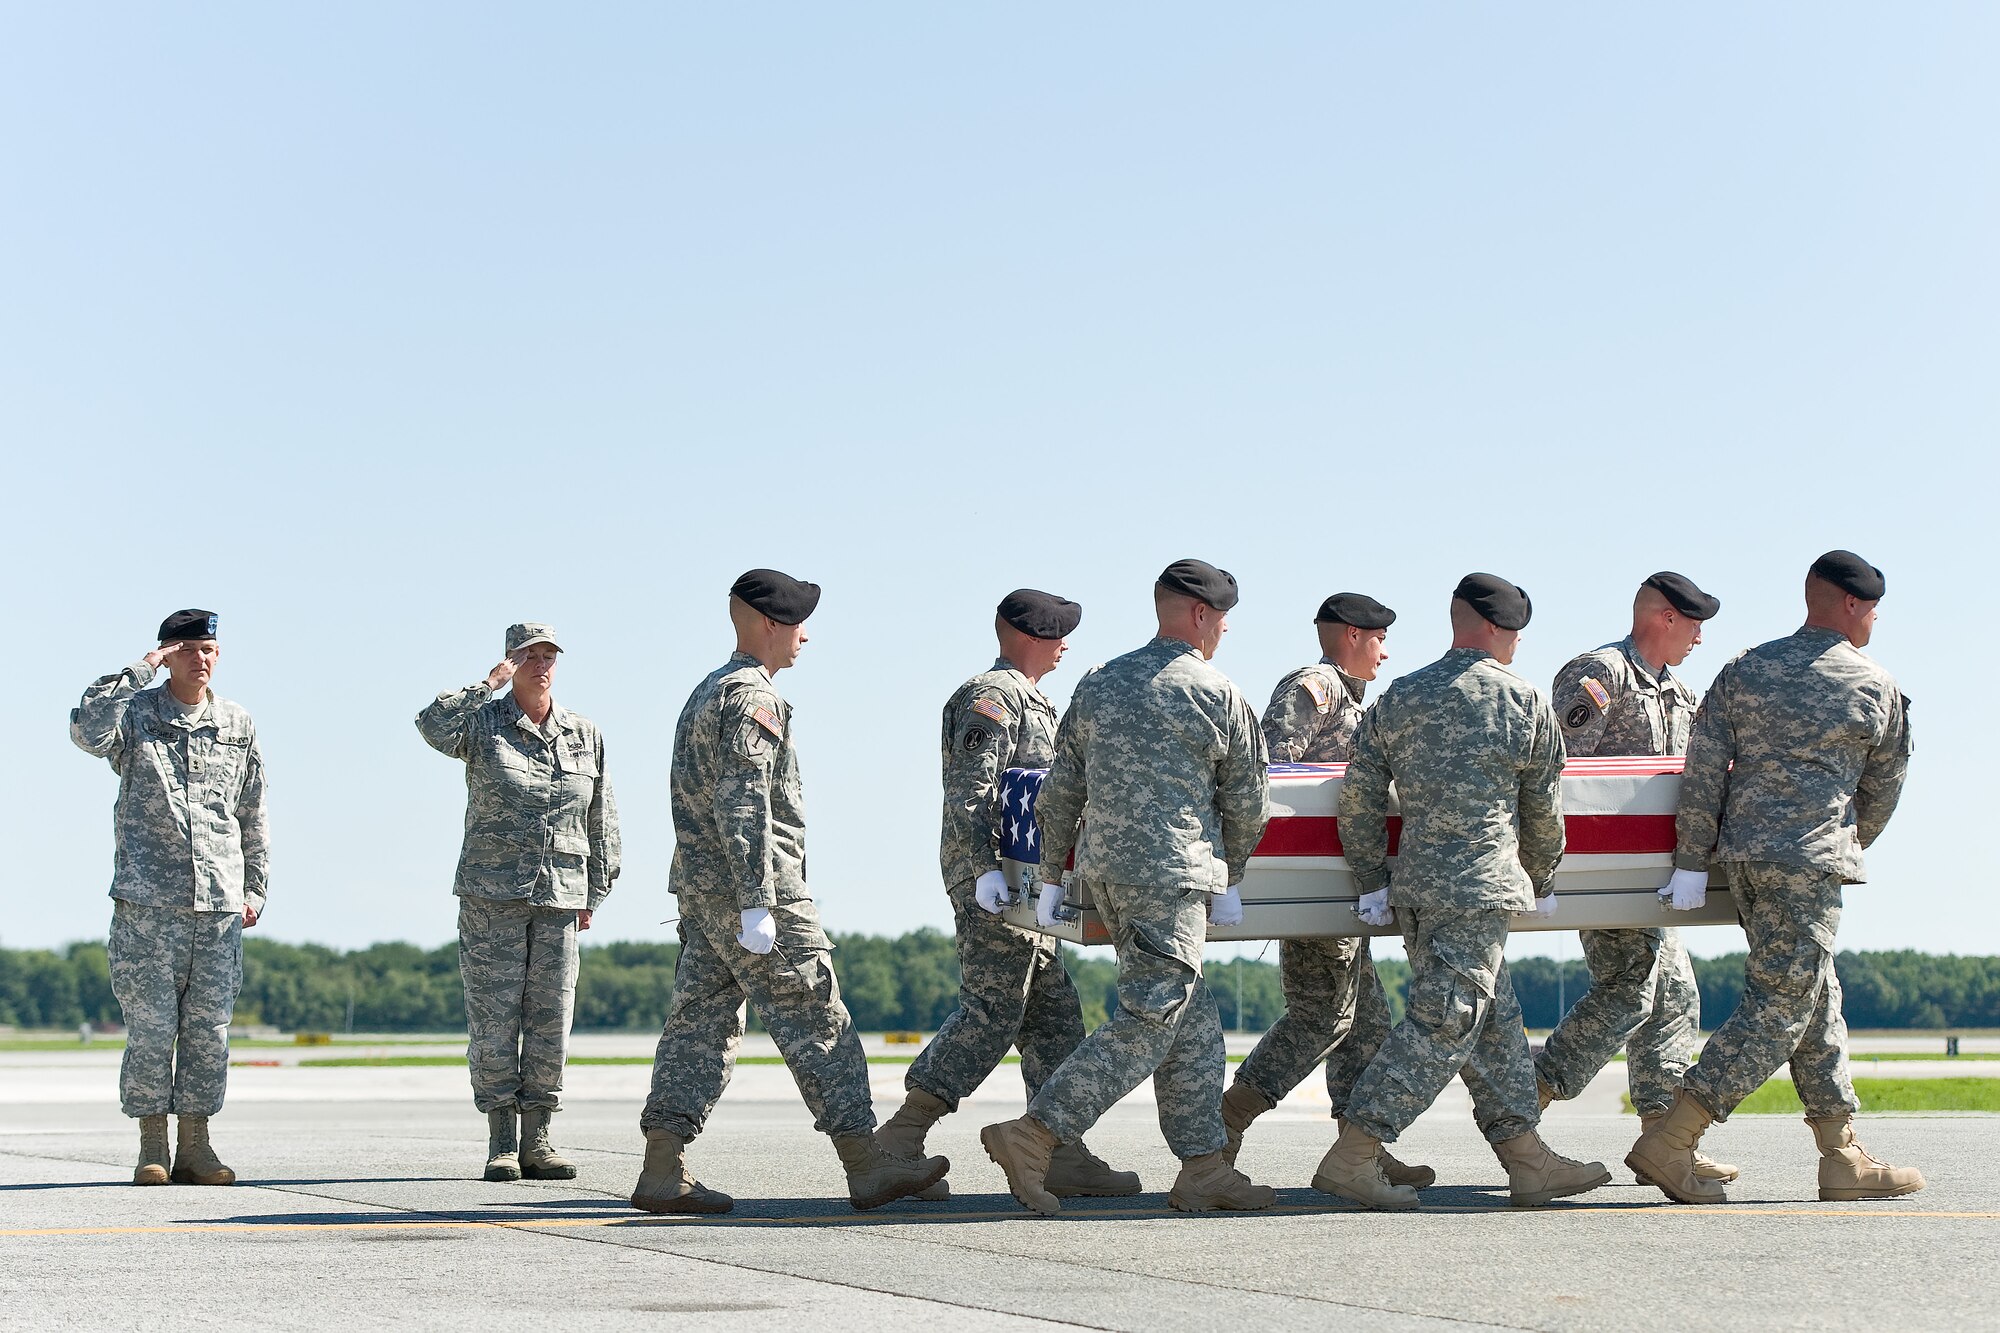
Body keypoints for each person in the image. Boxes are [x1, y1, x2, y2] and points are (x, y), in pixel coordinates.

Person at [632, 569, 948, 1214]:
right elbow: (744, 802)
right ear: (771, 625)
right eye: (799, 623)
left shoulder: (706, 692)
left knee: (698, 1028)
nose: (806, 636)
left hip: (702, 894)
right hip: (757, 896)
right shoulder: (753, 698)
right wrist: (757, 901)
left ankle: (662, 1169)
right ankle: (867, 1167)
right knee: (818, 1018)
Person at [980, 559, 1274, 1215]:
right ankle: (1036, 1133)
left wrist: (1053, 873)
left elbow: (1059, 791)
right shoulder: (1215, 690)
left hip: (1106, 875)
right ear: (1200, 616)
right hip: (1170, 876)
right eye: (1222, 621)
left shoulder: (1100, 681)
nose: (1222, 632)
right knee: (1149, 1021)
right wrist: (1233, 872)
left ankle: (1203, 1166)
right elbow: (1251, 802)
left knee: (1190, 1020)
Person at [1629, 551, 1920, 1204]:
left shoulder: (1745, 669)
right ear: (1850, 604)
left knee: (1812, 995)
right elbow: (1882, 791)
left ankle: (1840, 1152)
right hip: (1810, 860)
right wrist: (1838, 842)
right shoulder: (1874, 685)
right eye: (1872, 605)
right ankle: (1673, 1136)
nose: (1875, 617)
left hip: (1745, 862)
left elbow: (1703, 773)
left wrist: (1693, 859)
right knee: (1782, 1006)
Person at [1312, 574, 1610, 1211]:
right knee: (1448, 1023)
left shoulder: (1401, 696)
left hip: (1416, 887)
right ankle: (1354, 1154)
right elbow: (1543, 814)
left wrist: (1372, 880)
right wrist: (1541, 875)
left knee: (1493, 1020)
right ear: (1503, 631)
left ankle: (1528, 1161)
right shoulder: (1521, 701)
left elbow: (1358, 800)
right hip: (1481, 887)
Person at [875, 589, 1139, 1201]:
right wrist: (980, 870)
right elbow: (971, 791)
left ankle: (1062, 1149)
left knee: (1053, 1013)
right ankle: (900, 1137)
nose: (1066, 645)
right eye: (1056, 633)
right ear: (1025, 634)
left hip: (1024, 884)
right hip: (995, 882)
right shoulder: (990, 698)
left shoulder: (1031, 699)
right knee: (992, 1009)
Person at [1222, 593, 1433, 1190]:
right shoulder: (1313, 689)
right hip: (1314, 887)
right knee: (1323, 1016)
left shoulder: (1352, 700)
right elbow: (1269, 778)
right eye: (1378, 640)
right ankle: (1229, 1118)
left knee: (1367, 1021)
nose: (1385, 653)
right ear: (1350, 636)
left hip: (1344, 888)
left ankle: (1360, 1148)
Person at [1535, 573, 1736, 1186]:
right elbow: (1556, 774)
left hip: (1655, 880)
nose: (1701, 636)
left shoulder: (1679, 693)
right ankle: (1525, 1097)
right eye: (1694, 622)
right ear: (1664, 618)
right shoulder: (1598, 677)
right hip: (1603, 873)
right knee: (1631, 990)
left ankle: (1661, 1139)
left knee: (1675, 998)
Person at [70, 609, 269, 1187]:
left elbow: (251, 810)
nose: (199, 659)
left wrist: (255, 886)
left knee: (209, 1031)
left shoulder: (237, 721)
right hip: (147, 906)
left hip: (218, 906)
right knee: (153, 1029)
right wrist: (139, 670)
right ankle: (152, 1145)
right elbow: (87, 730)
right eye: (186, 650)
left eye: (208, 649)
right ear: (166, 654)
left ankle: (197, 1145)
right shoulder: (134, 715)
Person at [417, 622, 619, 1182]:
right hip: (492, 898)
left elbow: (601, 817)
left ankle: (540, 1138)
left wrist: (593, 891)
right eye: (529, 656)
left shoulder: (583, 732)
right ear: (511, 660)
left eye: (549, 655)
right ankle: (501, 1141)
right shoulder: (482, 726)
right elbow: (430, 725)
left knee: (552, 1021)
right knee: (494, 1020)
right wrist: (486, 685)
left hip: (560, 899)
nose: (541, 665)